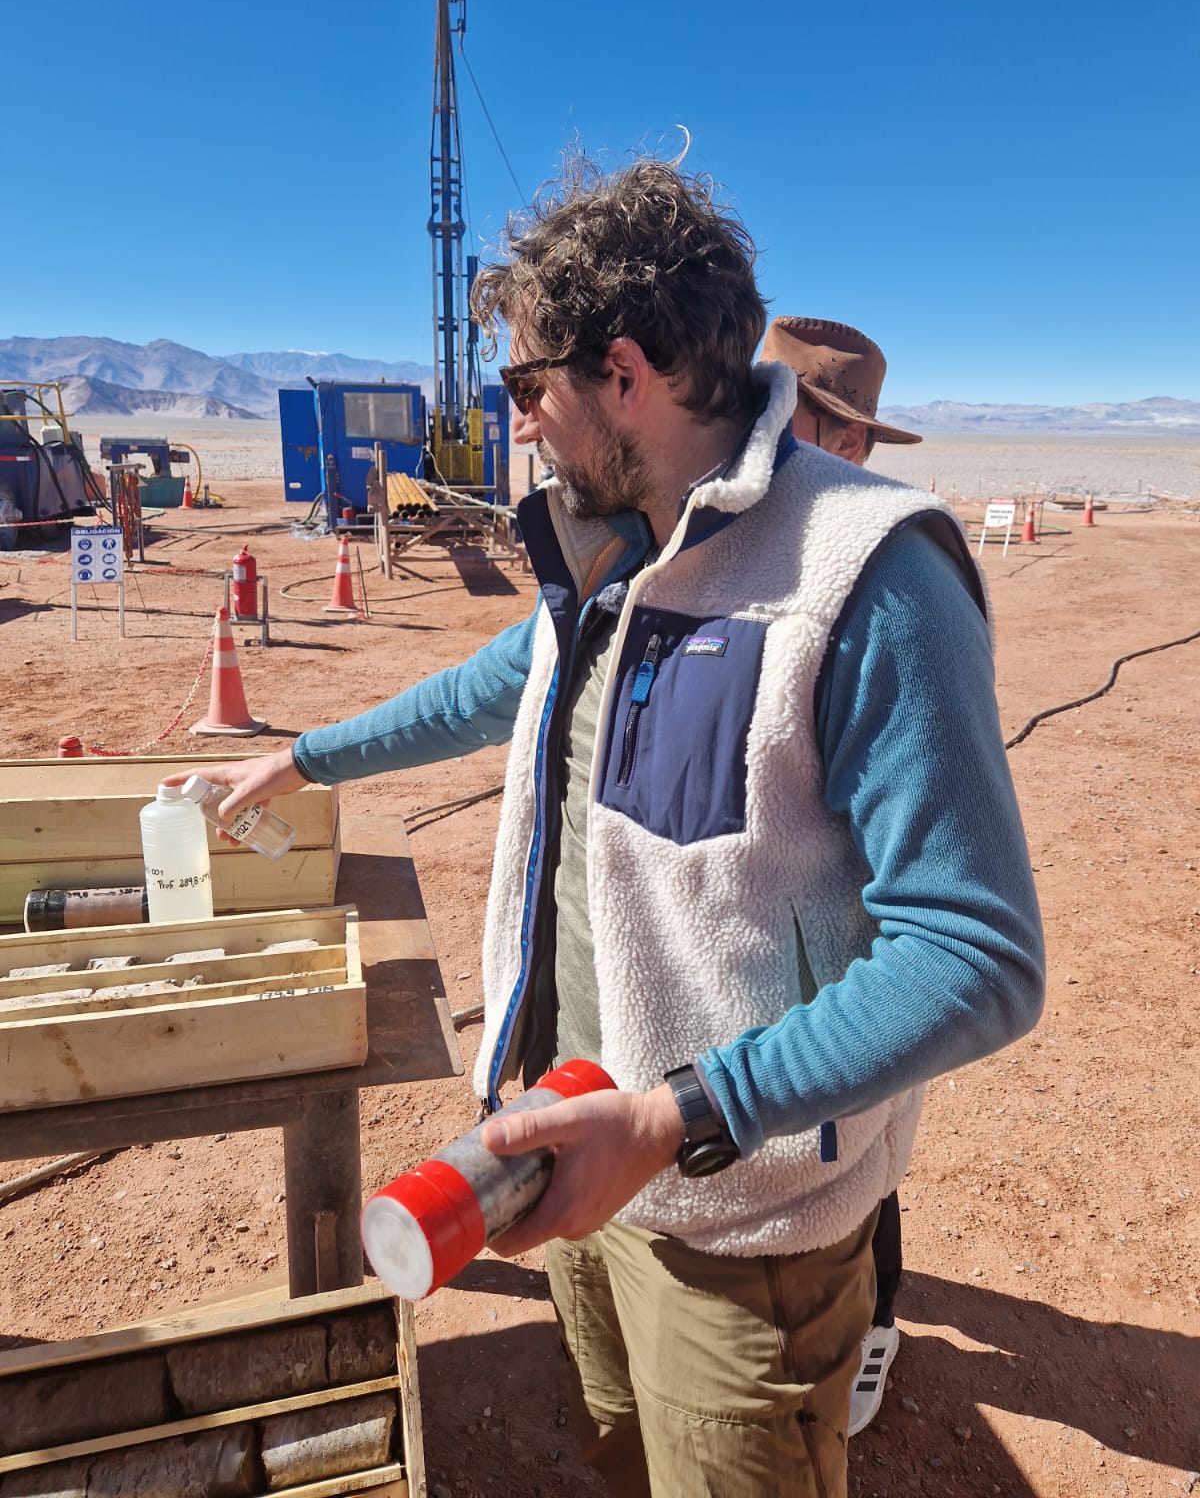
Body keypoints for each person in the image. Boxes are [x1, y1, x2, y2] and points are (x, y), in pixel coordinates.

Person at [178, 156, 1044, 1498]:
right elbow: (484, 691)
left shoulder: (868, 571)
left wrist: (677, 1114)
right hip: (571, 1150)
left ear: (625, 372)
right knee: (623, 1455)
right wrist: (301, 757)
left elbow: (974, 955)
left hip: (737, 1221)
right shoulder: (606, 545)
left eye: (527, 387)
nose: (518, 422)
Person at [758, 316, 921, 1435]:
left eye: (777, 413)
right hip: (766, 940)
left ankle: (878, 1324)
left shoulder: (889, 572)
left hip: (854, 947)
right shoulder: (733, 535)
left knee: (866, 1150)